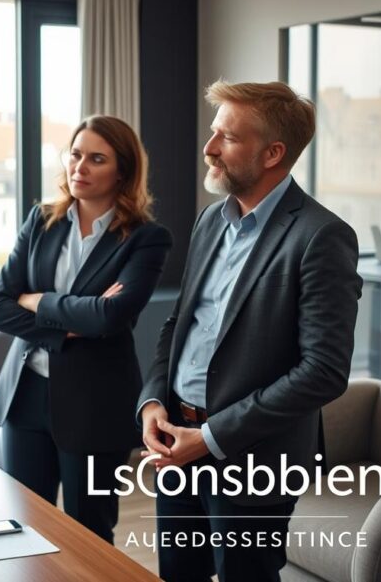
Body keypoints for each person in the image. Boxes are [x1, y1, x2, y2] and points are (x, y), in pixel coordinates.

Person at [136, 80, 362, 581]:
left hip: (255, 456)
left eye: (228, 138)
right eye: (214, 132)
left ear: (273, 153)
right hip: (175, 437)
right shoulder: (210, 221)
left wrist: (211, 437)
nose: (209, 147)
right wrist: (153, 403)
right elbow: (180, 325)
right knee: (178, 572)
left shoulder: (322, 237)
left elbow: (323, 372)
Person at [0, 115, 172, 543]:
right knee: (25, 525)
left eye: (96, 158)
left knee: (89, 531)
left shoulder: (146, 238)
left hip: (96, 405)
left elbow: (111, 317)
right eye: (75, 154)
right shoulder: (41, 221)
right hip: (26, 396)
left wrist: (37, 302)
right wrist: (64, 328)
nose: (79, 167)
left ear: (122, 171)